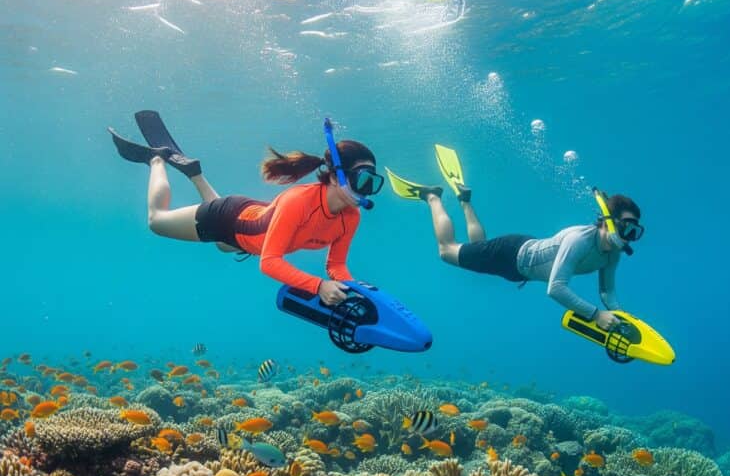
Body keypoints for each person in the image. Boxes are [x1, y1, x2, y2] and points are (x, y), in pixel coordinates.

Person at [109, 111, 384, 306]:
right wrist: (319, 286)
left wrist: (355, 290)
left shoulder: (351, 216)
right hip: (226, 218)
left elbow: (336, 265)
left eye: (373, 183)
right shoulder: (299, 201)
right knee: (157, 222)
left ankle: (195, 174)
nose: (366, 190)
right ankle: (157, 159)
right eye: (362, 180)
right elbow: (269, 262)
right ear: (336, 177)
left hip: (251, 224)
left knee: (224, 247)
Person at [385, 144, 644, 329]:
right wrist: (596, 315)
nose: (629, 237)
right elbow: (556, 288)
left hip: (521, 265)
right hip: (509, 255)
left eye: (634, 232)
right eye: (626, 228)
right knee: (446, 250)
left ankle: (464, 199)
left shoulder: (613, 252)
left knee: (478, 247)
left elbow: (608, 291)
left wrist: (622, 318)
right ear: (608, 223)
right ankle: (432, 196)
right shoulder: (581, 240)